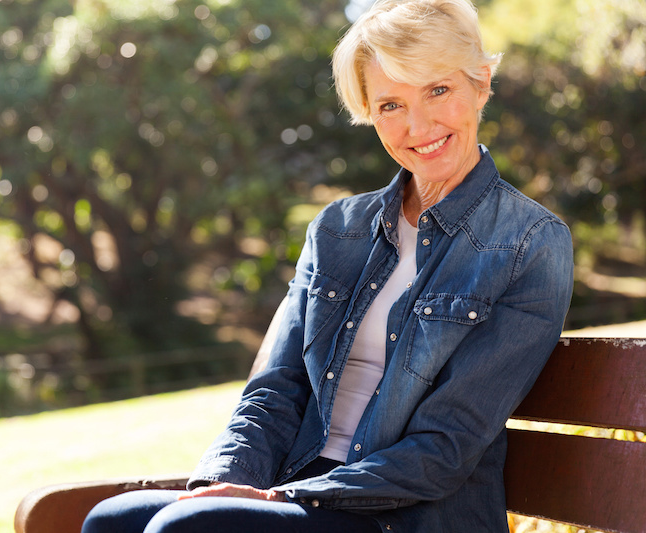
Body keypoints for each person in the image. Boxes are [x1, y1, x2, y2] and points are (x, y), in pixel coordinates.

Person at [82, 0, 574, 531]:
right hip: (301, 490)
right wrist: (219, 486)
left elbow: (446, 446)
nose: (418, 125)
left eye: (438, 90)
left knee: (184, 531)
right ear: (369, 111)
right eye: (390, 105)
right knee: (113, 521)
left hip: (405, 516)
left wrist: (288, 497)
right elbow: (274, 390)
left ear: (481, 83)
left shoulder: (531, 243)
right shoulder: (338, 229)